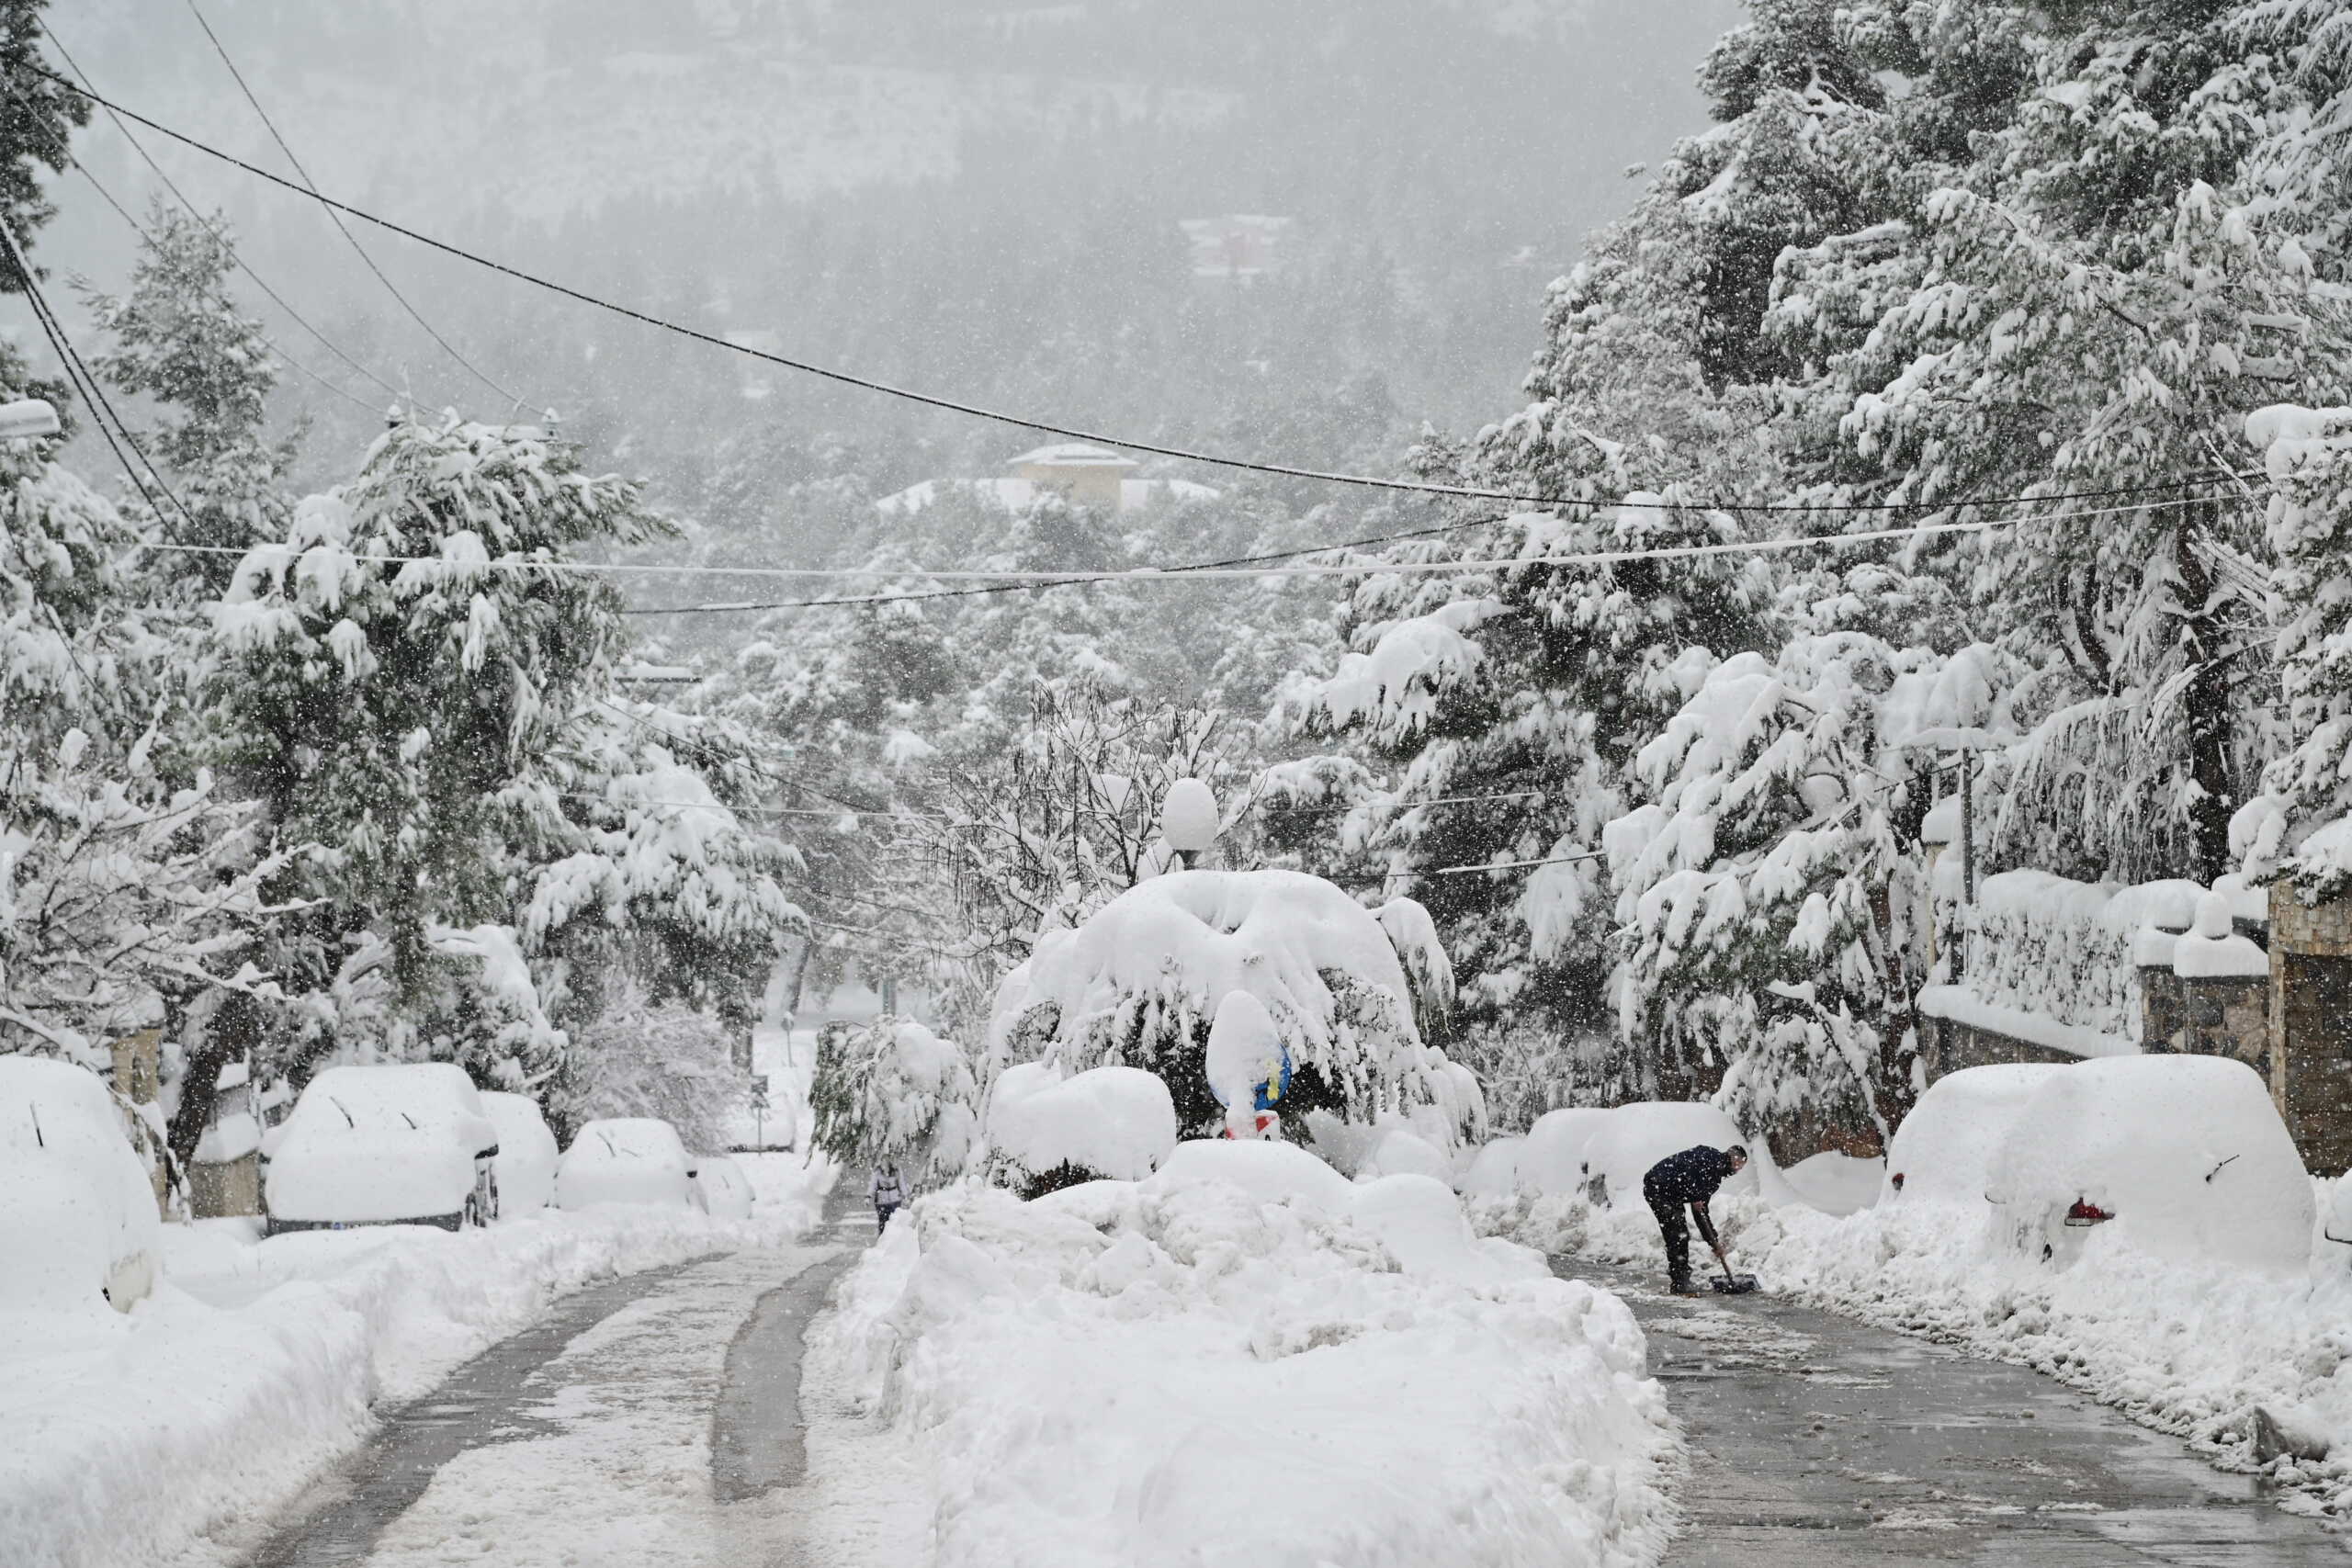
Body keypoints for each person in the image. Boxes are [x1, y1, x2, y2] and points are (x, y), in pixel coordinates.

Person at [1642, 1144, 1748, 1295]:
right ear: (1731, 1157)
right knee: (1677, 1233)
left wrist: (1714, 1242)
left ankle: (1680, 1280)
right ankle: (1679, 1283)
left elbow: (1701, 1214)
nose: (1737, 1170)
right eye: (1737, 1165)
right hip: (1658, 1187)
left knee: (1681, 1234)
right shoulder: (1710, 1157)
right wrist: (1696, 1193)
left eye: (1740, 1168)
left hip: (1672, 1194)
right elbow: (1690, 1166)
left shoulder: (1714, 1178)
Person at [868, 1157, 907, 1232]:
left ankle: (894, 1238)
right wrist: (868, 1196)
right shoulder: (877, 1172)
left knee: (895, 1221)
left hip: (895, 1200)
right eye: (883, 1162)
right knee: (883, 1222)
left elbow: (901, 1183)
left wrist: (905, 1195)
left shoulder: (896, 1171)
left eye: (886, 1162)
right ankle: (883, 1239)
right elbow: (873, 1185)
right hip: (881, 1201)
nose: (884, 1164)